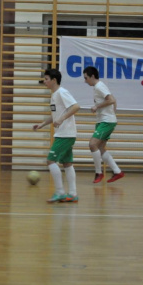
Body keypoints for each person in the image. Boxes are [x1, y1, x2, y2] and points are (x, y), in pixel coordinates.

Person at [33, 69, 80, 203]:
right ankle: (72, 194)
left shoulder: (62, 92)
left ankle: (59, 192)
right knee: (67, 163)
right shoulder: (54, 95)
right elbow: (55, 115)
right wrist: (42, 124)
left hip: (65, 134)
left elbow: (76, 106)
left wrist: (62, 119)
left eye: (46, 79)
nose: (45, 81)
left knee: (50, 160)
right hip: (65, 134)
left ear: (54, 80)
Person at [83, 66, 124, 184]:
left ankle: (98, 172)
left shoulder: (99, 86)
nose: (85, 81)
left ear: (92, 76)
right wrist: (112, 113)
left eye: (86, 78)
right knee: (100, 148)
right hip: (104, 120)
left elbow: (110, 99)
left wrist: (97, 107)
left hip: (106, 121)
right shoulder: (98, 87)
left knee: (92, 144)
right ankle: (117, 171)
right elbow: (113, 100)